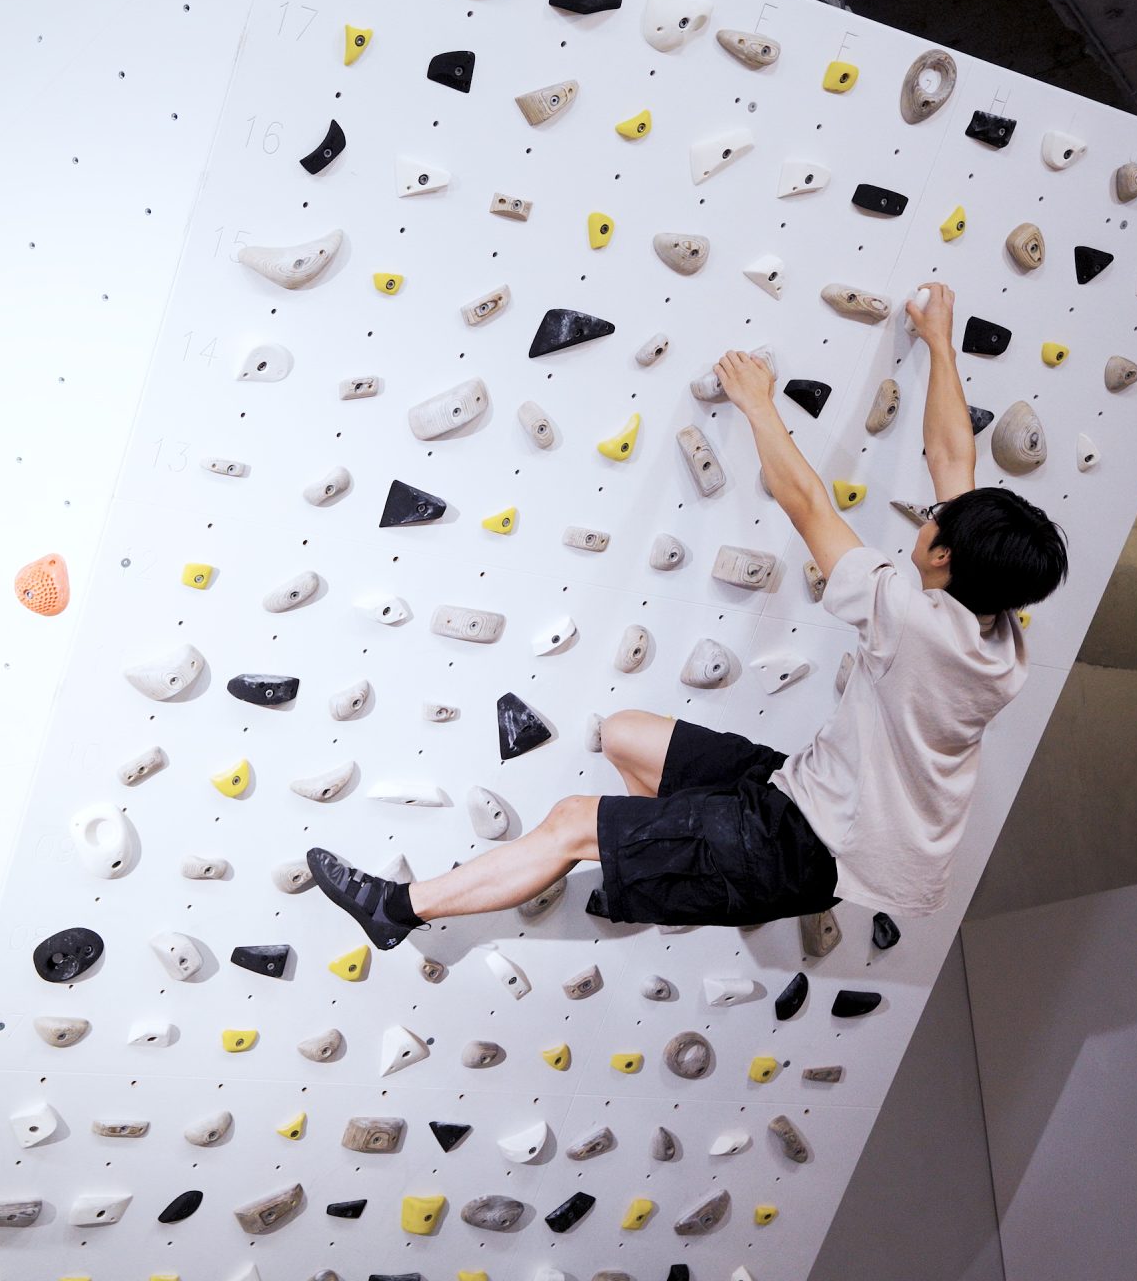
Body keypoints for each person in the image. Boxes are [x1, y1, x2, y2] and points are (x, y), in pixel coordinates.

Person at [310, 282, 1068, 946]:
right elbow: (953, 458)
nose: (929, 518)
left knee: (575, 821)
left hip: (814, 848)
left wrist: (757, 404)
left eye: (935, 523)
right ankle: (663, 869)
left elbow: (806, 502)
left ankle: (399, 910)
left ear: (941, 560)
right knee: (626, 736)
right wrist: (938, 341)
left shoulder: (908, 613)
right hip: (810, 791)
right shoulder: (993, 627)